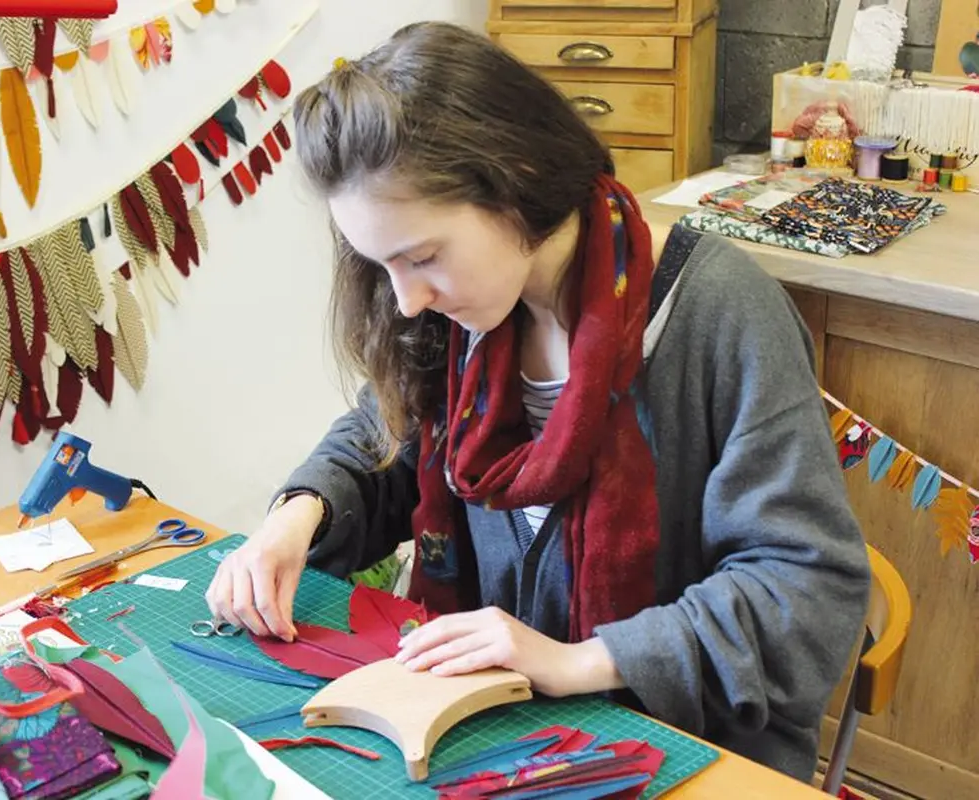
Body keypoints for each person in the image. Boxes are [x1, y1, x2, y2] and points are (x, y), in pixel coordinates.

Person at [205, 21, 871, 782]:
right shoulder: (464, 317)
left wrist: (578, 660)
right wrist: (298, 516)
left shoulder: (720, 315)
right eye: (382, 266)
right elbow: (383, 435)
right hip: (510, 726)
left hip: (689, 749)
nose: (408, 300)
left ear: (514, 175)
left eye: (422, 257)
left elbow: (805, 586)